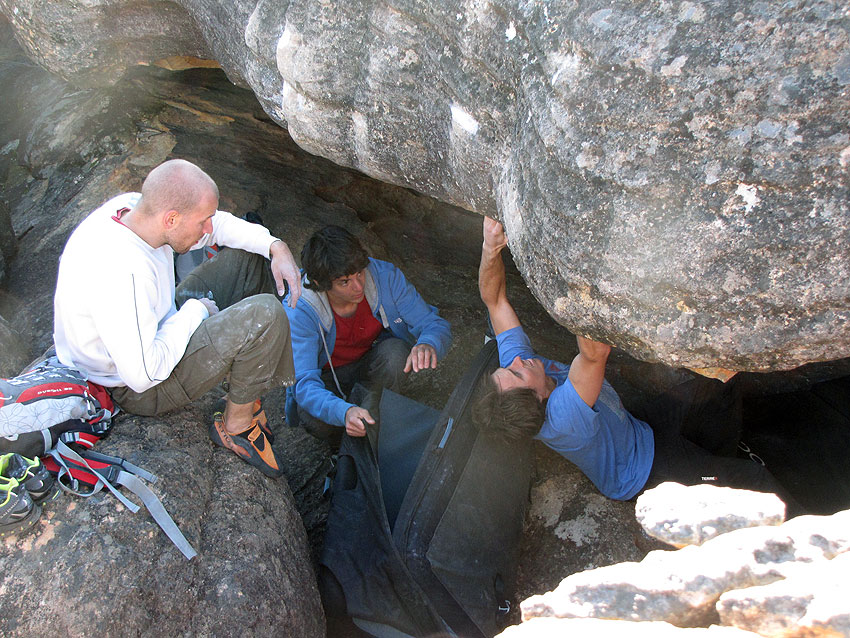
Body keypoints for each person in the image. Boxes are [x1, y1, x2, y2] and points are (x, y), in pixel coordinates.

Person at [475, 216, 800, 511]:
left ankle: (714, 459)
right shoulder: (565, 419)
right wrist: (582, 275)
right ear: (539, 397)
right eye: (516, 371)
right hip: (645, 474)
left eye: (508, 367)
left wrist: (491, 248)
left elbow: (495, 299)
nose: (516, 359)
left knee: (723, 384)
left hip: (636, 426)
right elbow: (594, 352)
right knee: (754, 483)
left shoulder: (519, 374)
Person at [53, 159, 302, 478]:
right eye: (202, 222)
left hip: (158, 323)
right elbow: (144, 374)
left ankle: (240, 384)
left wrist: (275, 246)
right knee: (265, 315)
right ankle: (236, 426)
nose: (208, 230)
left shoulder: (134, 209)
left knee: (252, 257)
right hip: (134, 385)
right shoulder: (123, 272)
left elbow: (221, 226)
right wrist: (196, 311)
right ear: (171, 219)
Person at [284, 225, 452, 446]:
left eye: (360, 273)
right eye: (345, 282)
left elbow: (433, 324)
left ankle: (381, 422)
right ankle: (343, 447)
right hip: (327, 378)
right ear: (319, 284)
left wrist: (428, 344)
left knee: (396, 354)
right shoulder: (300, 309)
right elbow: (304, 383)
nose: (359, 286)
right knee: (312, 417)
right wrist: (343, 412)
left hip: (371, 361)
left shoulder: (385, 278)